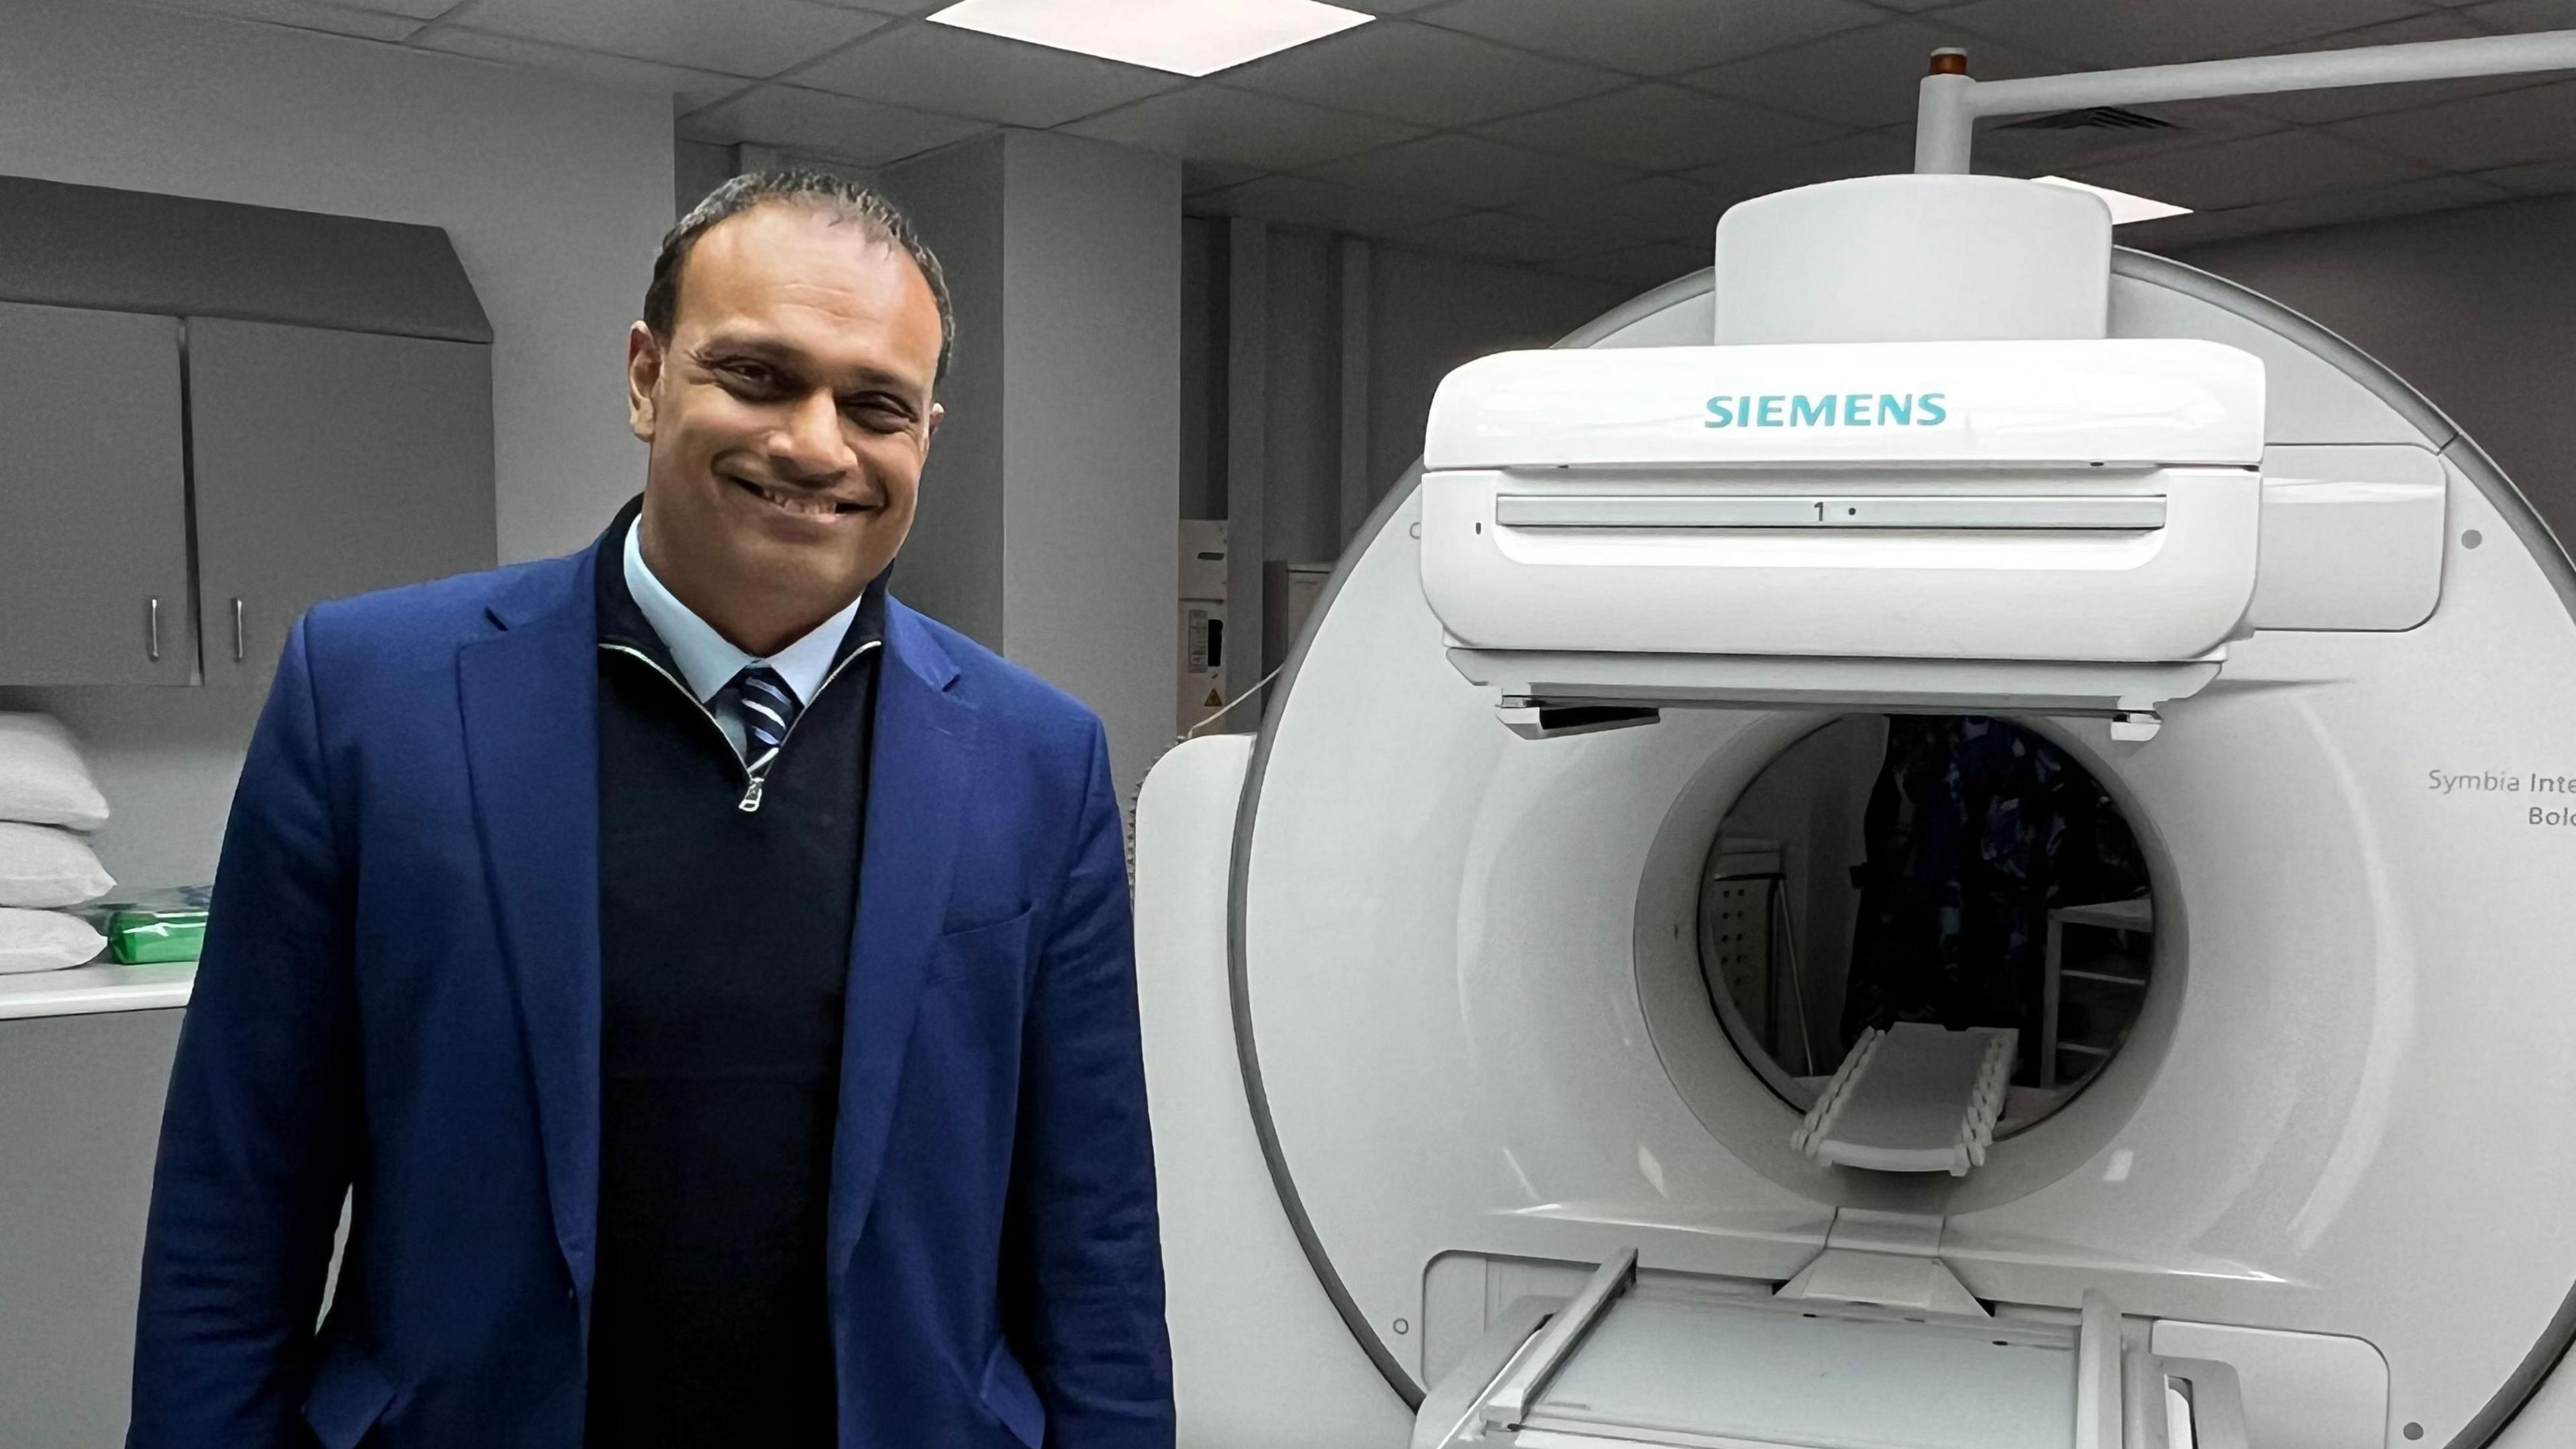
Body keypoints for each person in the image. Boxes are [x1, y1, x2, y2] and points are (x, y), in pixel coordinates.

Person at [127, 171, 1173, 1449]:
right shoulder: (369, 699)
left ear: (925, 439)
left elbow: (1094, 1231)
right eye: (759, 375)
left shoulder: (1038, 760)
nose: (815, 444)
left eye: (876, 405)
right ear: (646, 376)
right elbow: (239, 1194)